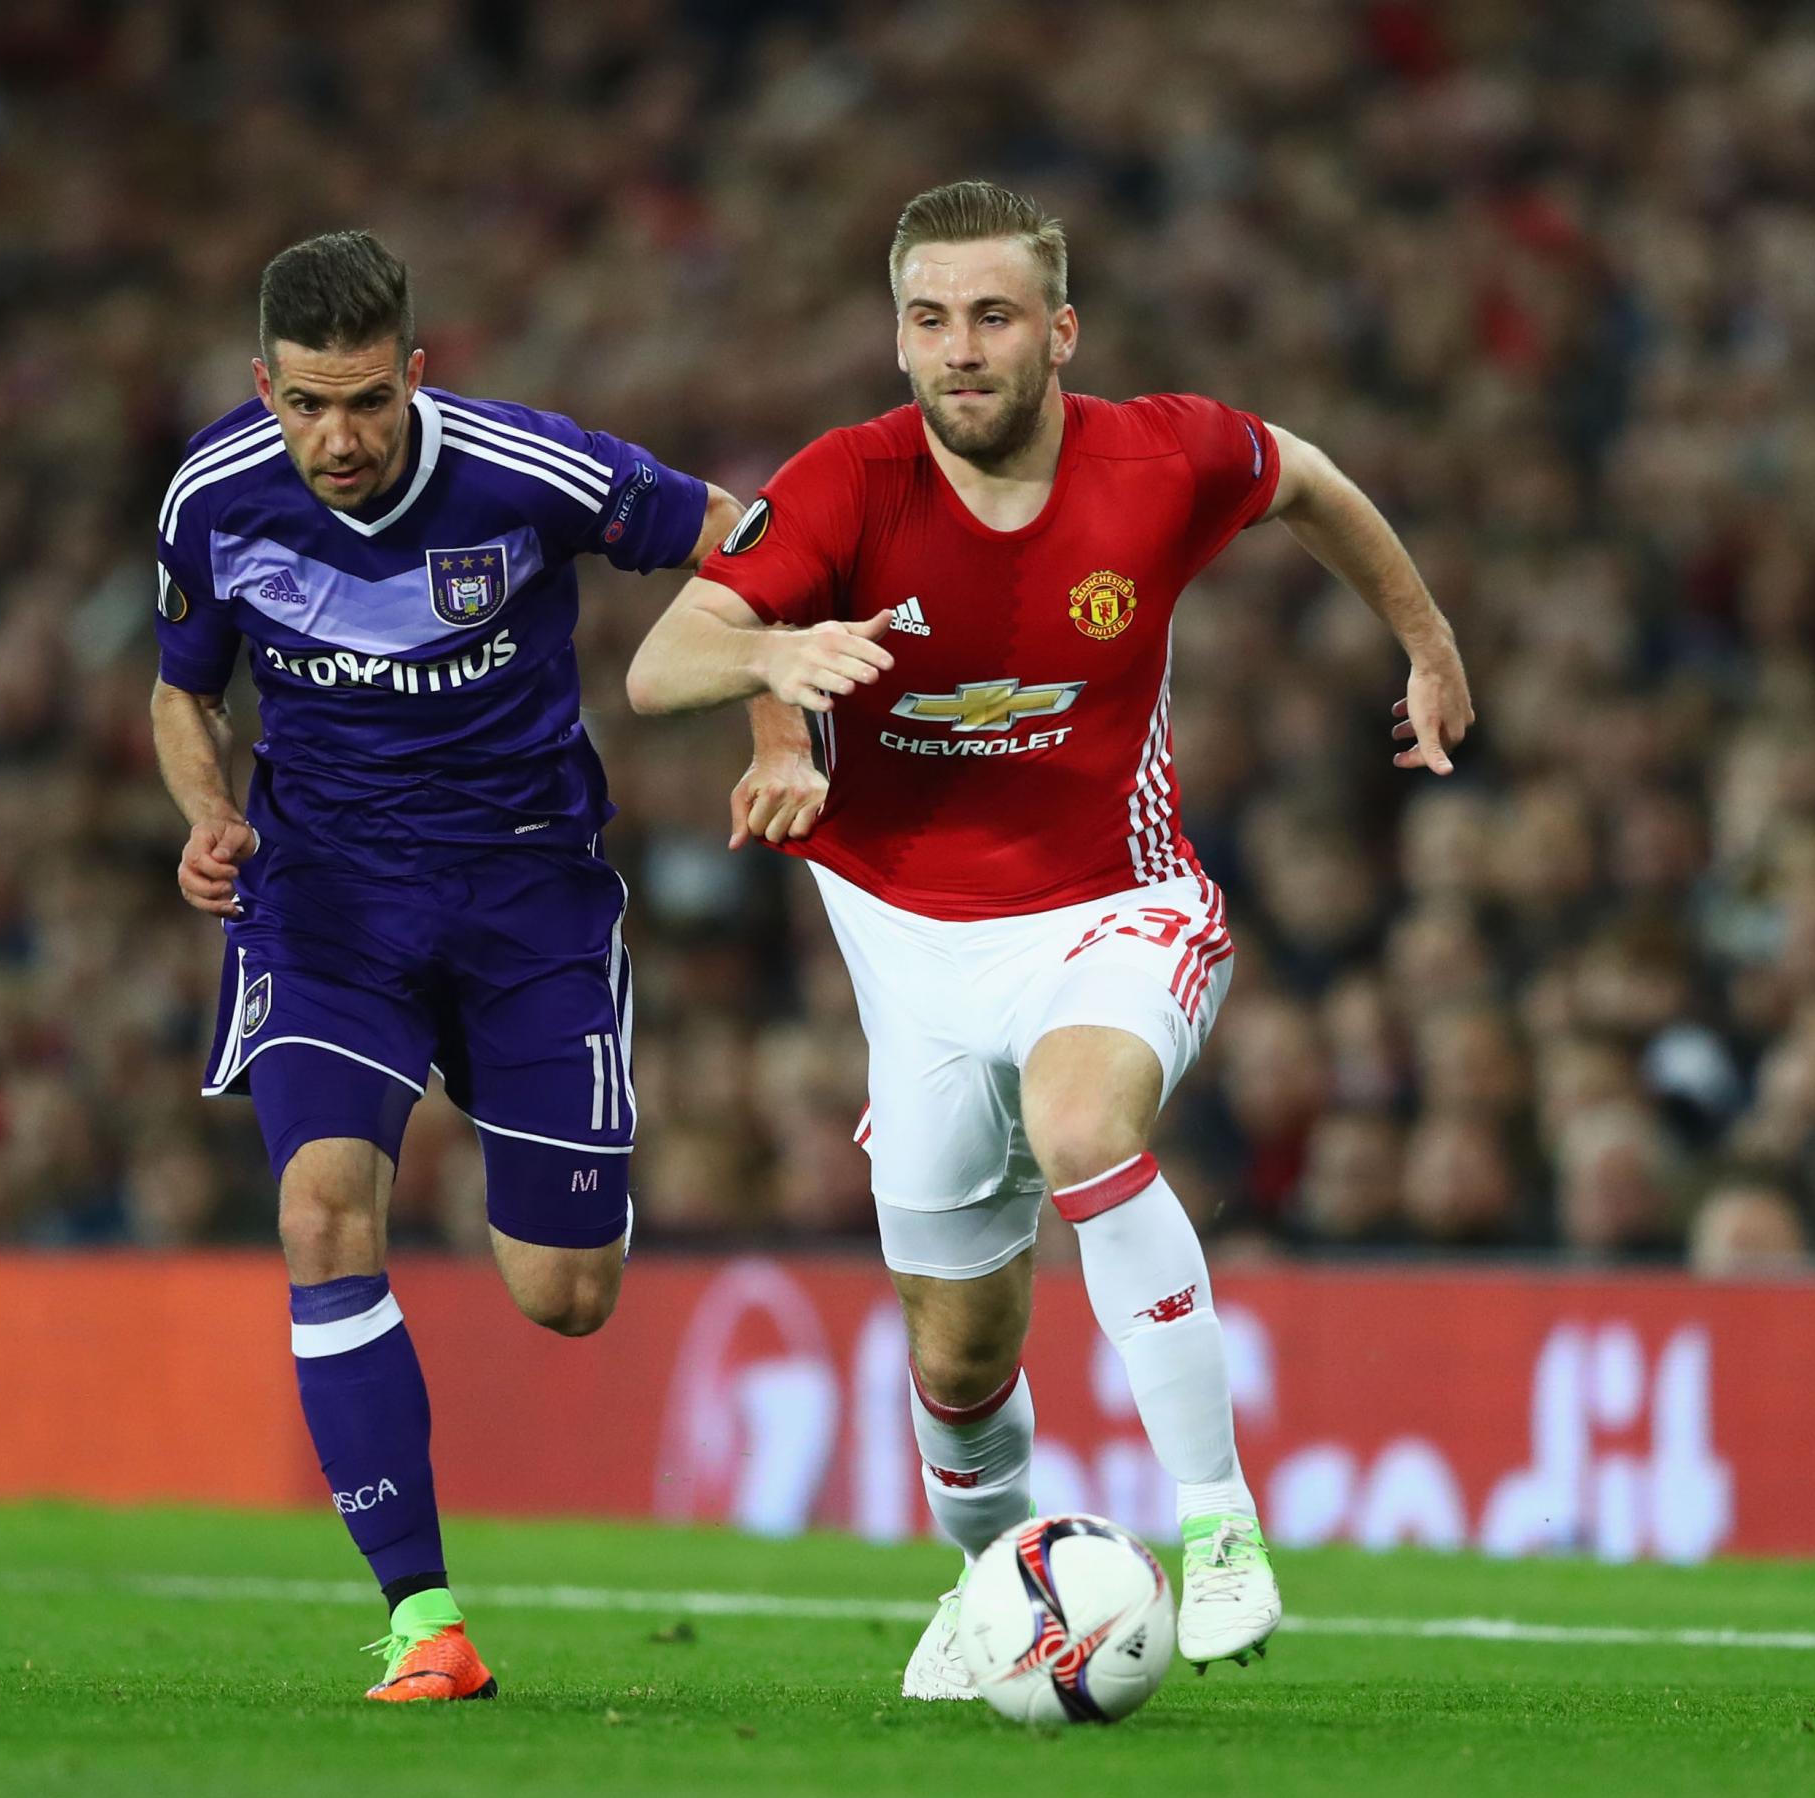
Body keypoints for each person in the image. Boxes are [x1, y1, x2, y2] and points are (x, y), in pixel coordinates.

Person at [627, 180, 1474, 1695]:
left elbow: (1314, 481)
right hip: (912, 947)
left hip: (1112, 905)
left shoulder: (1162, 456)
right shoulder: (842, 484)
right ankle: (994, 1585)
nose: (963, 349)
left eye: (996, 316)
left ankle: (1219, 1529)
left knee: (1083, 1122)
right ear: (897, 340)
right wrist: (772, 671)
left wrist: (1425, 641)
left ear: (1060, 331)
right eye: (931, 318)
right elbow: (656, 664)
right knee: (958, 1365)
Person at [150, 231, 785, 1702]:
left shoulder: (528, 471)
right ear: (266, 387)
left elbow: (746, 537)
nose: (340, 438)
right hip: (326, 907)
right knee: (321, 1212)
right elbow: (183, 692)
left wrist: (774, 719)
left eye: (368, 401)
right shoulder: (212, 497)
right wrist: (203, 815)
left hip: (525, 895)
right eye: (307, 405)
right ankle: (423, 1619)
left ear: (416, 374)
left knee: (566, 1293)